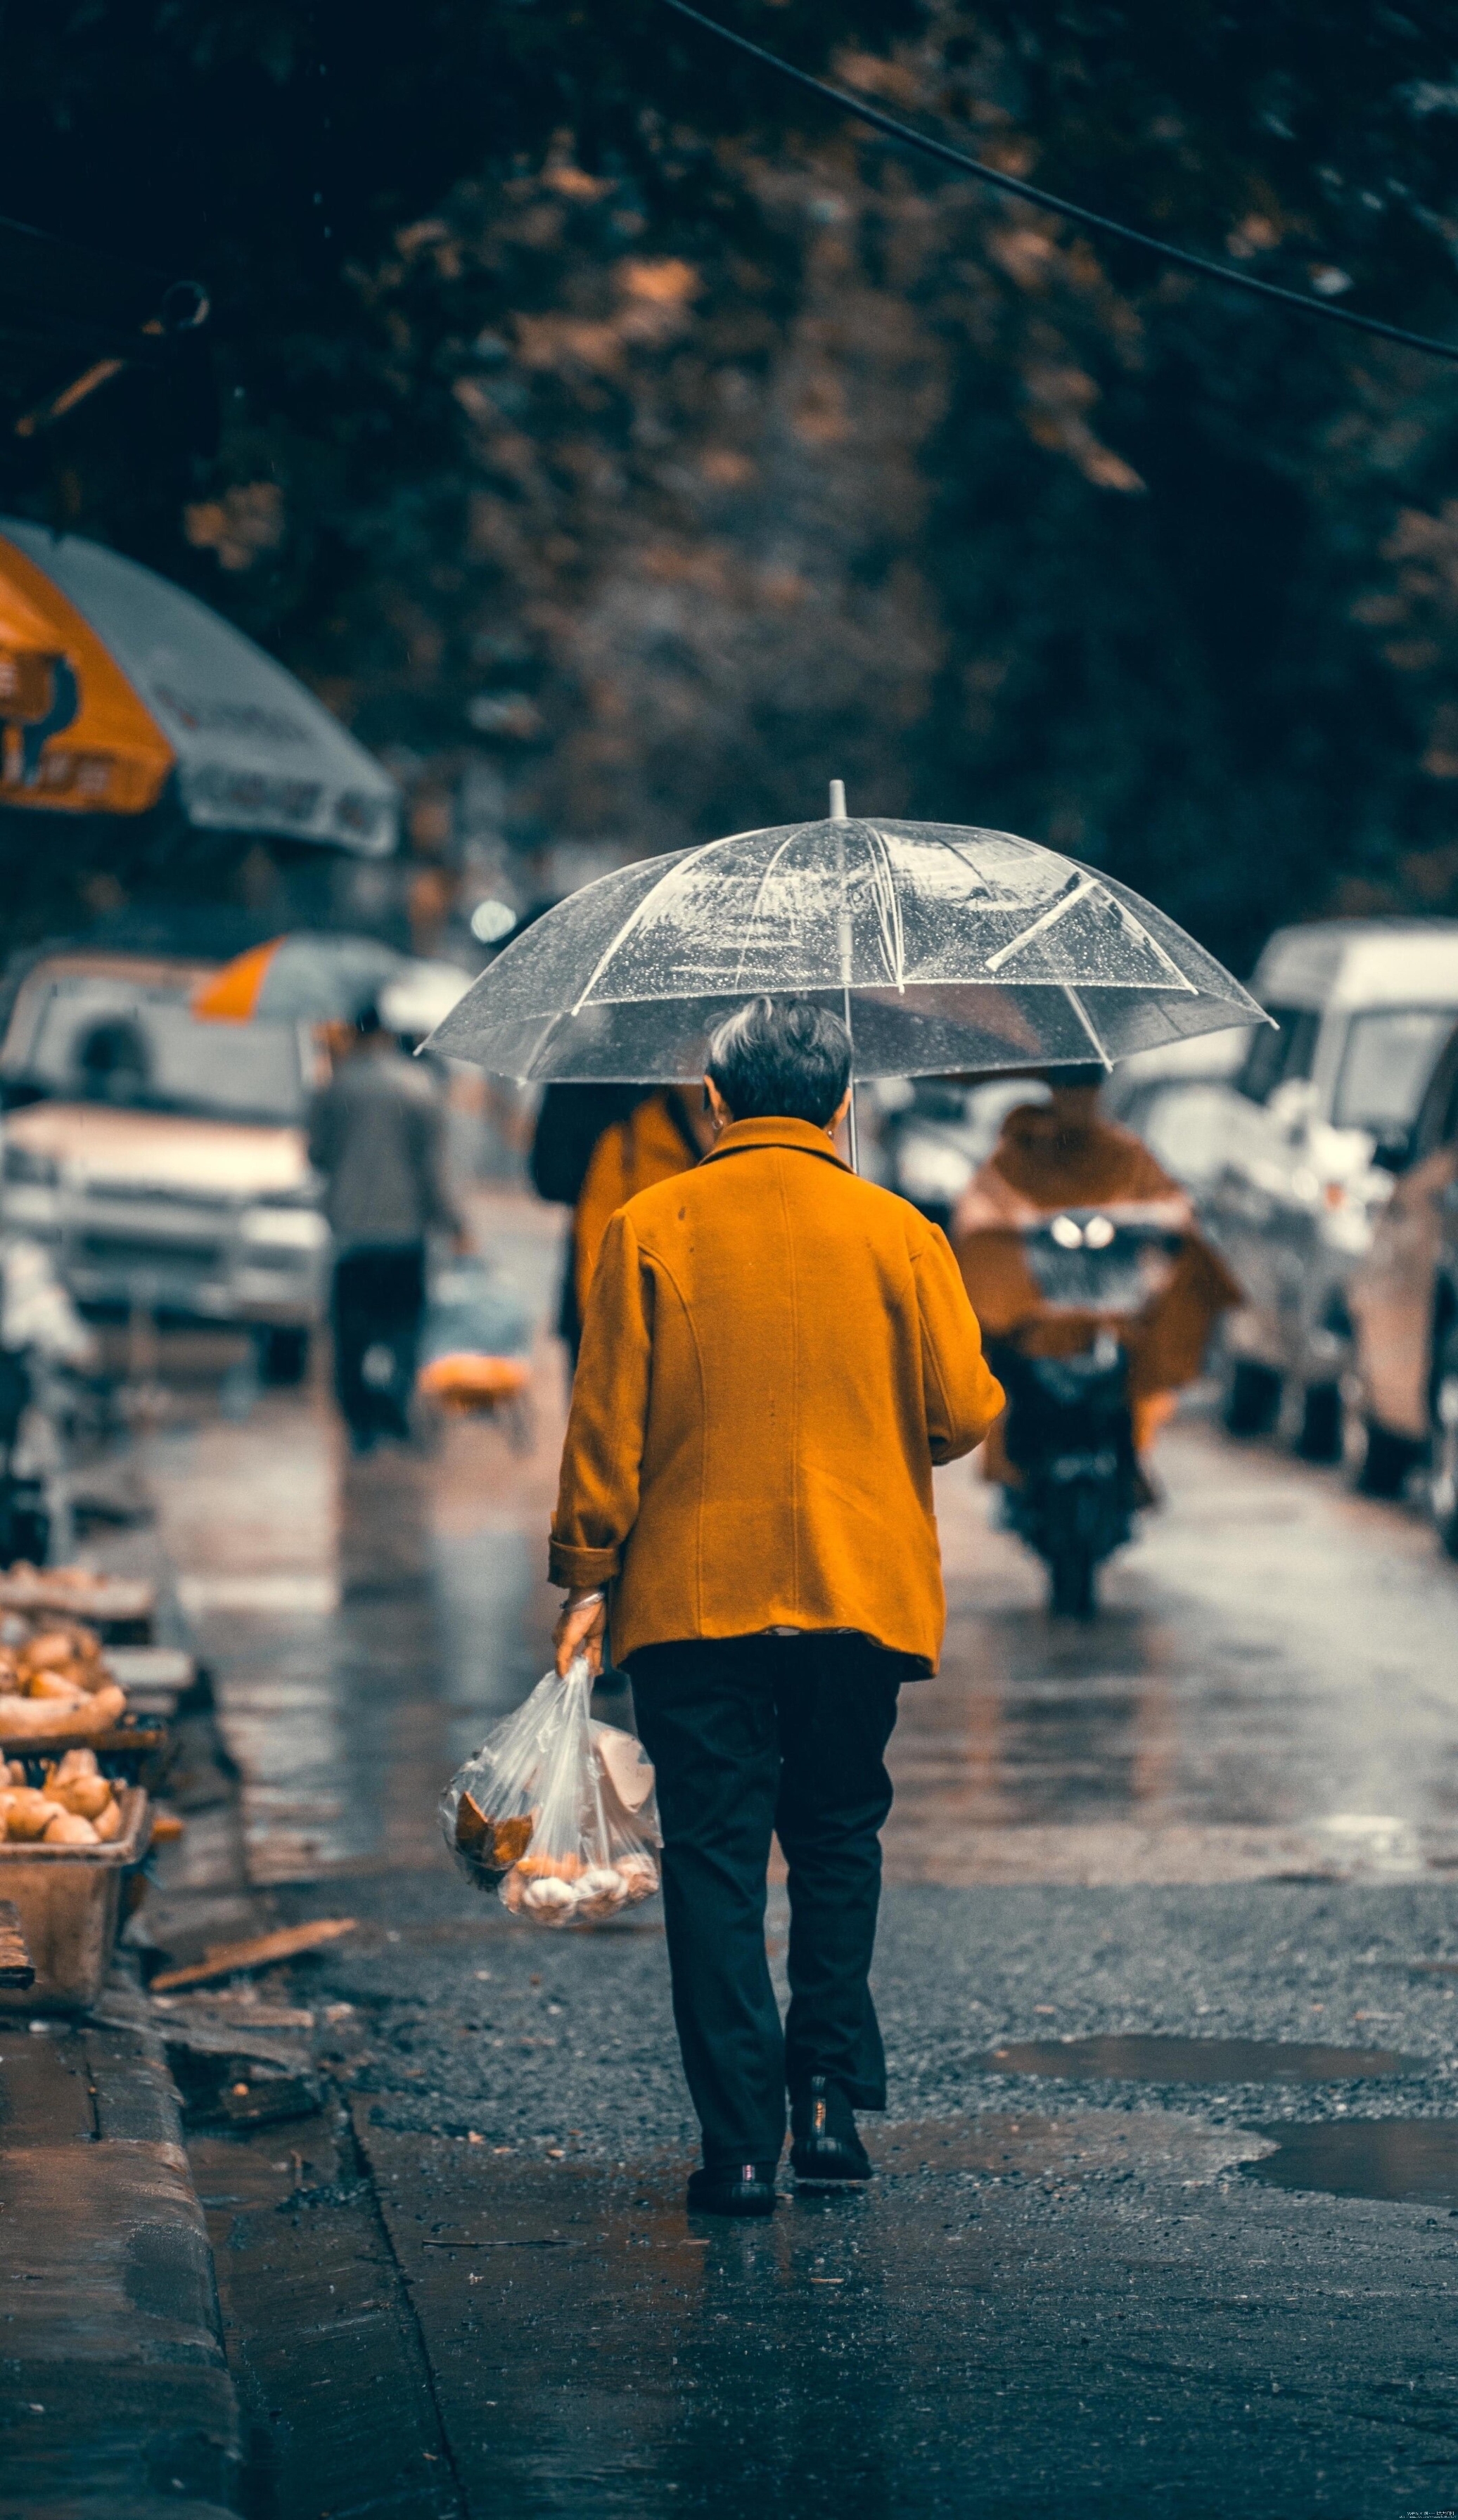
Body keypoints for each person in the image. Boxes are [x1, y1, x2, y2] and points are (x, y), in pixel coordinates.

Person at [549, 997, 1004, 2217]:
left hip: (692, 1603)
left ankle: (739, 2147)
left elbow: (605, 1432)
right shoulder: (899, 1230)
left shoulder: (649, 1225)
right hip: (860, 1596)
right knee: (837, 1835)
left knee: (713, 1859)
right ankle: (826, 2104)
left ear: (714, 1097)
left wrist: (586, 1571)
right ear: (841, 1102)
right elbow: (960, 1414)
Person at [952, 1065, 1241, 1476]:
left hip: (1113, 1297)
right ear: (1053, 1092)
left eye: (1087, 1089)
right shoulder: (1022, 1149)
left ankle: (1129, 1463)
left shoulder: (1124, 1151)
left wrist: (1146, 1217)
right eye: (1068, 1089)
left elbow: (1171, 1201)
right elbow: (980, 1207)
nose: (1077, 1101)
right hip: (1037, 1301)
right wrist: (1017, 1221)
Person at [308, 1002, 464, 1453]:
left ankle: (360, 1424)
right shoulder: (420, 1089)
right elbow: (433, 1173)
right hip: (404, 1235)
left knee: (351, 1333)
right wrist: (453, 1224)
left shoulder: (337, 1087)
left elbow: (316, 1154)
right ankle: (394, 1408)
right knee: (403, 1327)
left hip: (351, 1234)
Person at [530, 1085, 711, 1363]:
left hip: (702, 1324)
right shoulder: (629, 1130)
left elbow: (551, 1177)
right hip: (621, 1319)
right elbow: (553, 1176)